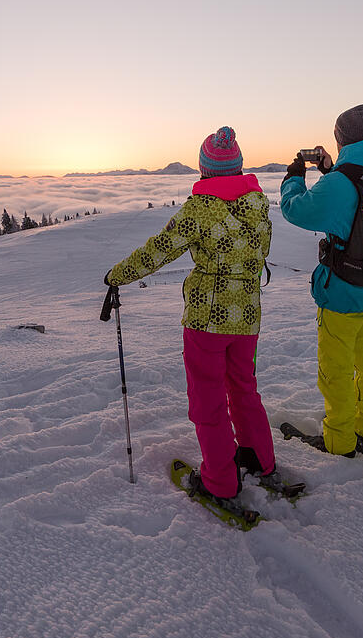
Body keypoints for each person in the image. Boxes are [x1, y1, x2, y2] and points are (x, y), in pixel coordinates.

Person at [104, 126, 275, 502]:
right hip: (247, 317)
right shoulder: (258, 204)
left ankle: (220, 483)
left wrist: (117, 276)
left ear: (204, 169)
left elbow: (160, 250)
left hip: (207, 321)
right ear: (239, 166)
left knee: (208, 399)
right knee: (244, 388)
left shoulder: (200, 209)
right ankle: (259, 459)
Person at [279, 103, 363, 457]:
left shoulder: (342, 183)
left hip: (342, 292)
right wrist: (331, 168)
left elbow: (297, 209)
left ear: (341, 138)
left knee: (337, 372)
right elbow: (356, 202)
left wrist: (294, 177)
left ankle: (339, 442)